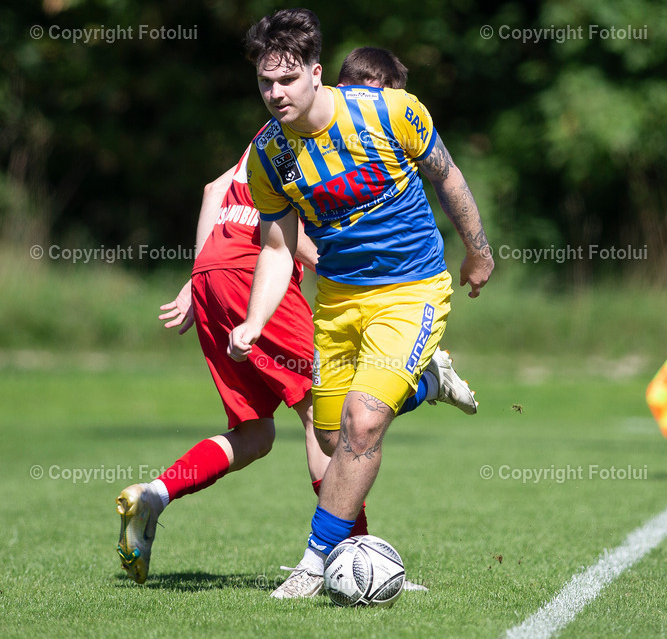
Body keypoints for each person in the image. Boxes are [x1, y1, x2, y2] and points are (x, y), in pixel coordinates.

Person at [115, 49, 476, 586]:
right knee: (322, 422)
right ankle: (348, 557)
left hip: (214, 273)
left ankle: (157, 493)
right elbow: (287, 241)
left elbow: (217, 190)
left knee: (256, 432)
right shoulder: (288, 141)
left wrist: (198, 275)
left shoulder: (273, 138)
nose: (278, 90)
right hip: (253, 276)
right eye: (270, 81)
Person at [227, 9, 493, 599]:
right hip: (339, 301)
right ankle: (426, 382)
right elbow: (276, 247)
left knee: (363, 422)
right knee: (328, 439)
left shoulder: (388, 110)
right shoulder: (269, 156)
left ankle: (313, 562)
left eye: (287, 80)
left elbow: (447, 177)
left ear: (317, 73)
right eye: (265, 82)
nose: (275, 93)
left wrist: (478, 250)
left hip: (412, 289)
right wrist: (253, 318)